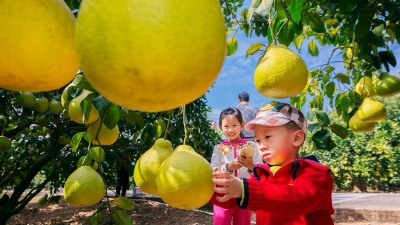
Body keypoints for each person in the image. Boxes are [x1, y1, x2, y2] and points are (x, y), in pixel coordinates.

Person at [210, 101, 334, 225]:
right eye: (258, 140)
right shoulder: (262, 174)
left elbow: (297, 199)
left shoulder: (317, 174)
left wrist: (244, 190)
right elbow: (234, 197)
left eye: (268, 137)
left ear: (296, 138)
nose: (261, 146)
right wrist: (205, 191)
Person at [210, 107, 263, 225]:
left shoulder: (252, 146)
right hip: (222, 196)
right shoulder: (218, 148)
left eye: (234, 125)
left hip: (244, 194)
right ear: (220, 127)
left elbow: (261, 170)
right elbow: (212, 171)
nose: (230, 130)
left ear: (242, 124)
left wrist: (250, 166)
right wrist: (229, 167)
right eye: (226, 126)